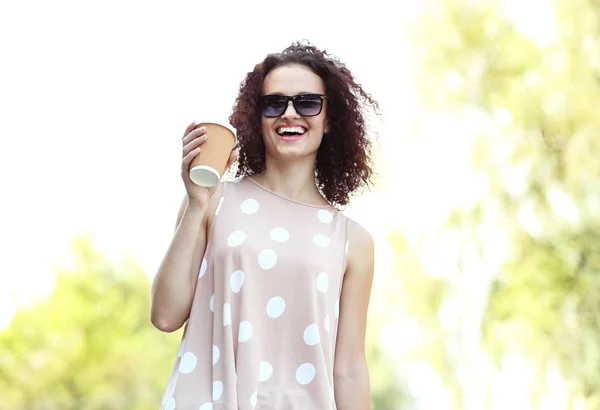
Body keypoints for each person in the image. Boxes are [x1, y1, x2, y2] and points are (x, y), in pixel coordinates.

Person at [151, 41, 379, 410]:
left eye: (307, 102)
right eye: (274, 103)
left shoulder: (352, 241)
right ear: (257, 117)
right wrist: (195, 205)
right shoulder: (212, 202)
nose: (289, 114)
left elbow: (349, 369)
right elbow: (164, 315)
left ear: (329, 118)